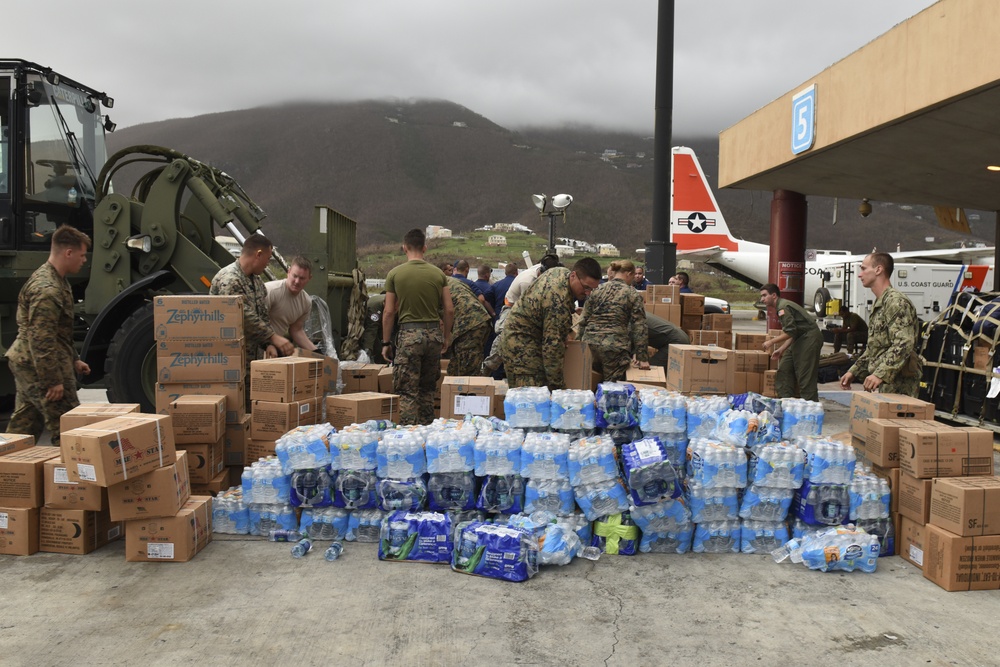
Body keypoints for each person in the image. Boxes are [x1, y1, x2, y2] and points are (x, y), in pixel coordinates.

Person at [5, 225, 92, 445]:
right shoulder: (48, 289)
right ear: (68, 253)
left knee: (24, 425)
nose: (84, 260)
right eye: (82, 255)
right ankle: (73, 477)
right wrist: (53, 381)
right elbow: (40, 339)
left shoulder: (58, 280)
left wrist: (73, 358)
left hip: (30, 360)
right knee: (68, 426)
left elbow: (58, 331)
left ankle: (11, 473)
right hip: (36, 363)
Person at [210, 234, 292, 410]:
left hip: (250, 361)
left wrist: (267, 343)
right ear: (258, 254)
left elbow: (261, 313)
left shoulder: (255, 281)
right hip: (229, 360)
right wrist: (273, 337)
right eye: (268, 259)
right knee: (233, 408)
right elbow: (241, 315)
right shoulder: (230, 279)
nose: (267, 264)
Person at [383, 229, 453, 425]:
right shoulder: (439, 274)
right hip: (433, 337)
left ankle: (409, 439)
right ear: (425, 248)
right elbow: (449, 310)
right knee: (427, 390)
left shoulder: (394, 274)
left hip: (408, 336)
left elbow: (389, 312)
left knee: (407, 391)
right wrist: (446, 337)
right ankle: (426, 435)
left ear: (404, 247)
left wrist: (385, 341)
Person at [500, 257, 602, 389]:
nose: (588, 293)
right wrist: (559, 389)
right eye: (586, 287)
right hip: (521, 348)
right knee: (530, 401)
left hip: (522, 337)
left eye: (592, 290)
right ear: (573, 276)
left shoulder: (560, 272)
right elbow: (552, 351)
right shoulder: (557, 302)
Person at [840, 252, 922, 396]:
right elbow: (875, 348)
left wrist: (880, 374)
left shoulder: (895, 302)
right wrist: (854, 371)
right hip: (888, 382)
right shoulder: (881, 303)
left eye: (864, 269)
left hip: (900, 386)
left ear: (878, 270)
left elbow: (904, 342)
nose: (860, 275)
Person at [577, 260, 649, 381]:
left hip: (591, 344)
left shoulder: (598, 290)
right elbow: (639, 326)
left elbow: (583, 319)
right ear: (629, 274)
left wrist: (578, 345)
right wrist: (642, 357)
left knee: (591, 382)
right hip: (615, 347)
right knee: (611, 389)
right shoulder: (632, 294)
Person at [760, 283, 823, 402]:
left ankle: (811, 409)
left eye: (764, 295)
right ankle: (786, 404)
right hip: (799, 337)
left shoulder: (783, 307)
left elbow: (790, 331)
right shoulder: (781, 307)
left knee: (805, 375)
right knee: (784, 369)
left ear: (773, 295)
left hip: (809, 337)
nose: (762, 299)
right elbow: (793, 332)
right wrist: (781, 349)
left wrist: (771, 342)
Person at [265, 256, 317, 354]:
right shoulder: (270, 291)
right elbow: (256, 323)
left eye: (302, 278)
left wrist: (316, 352)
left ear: (309, 278)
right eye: (295, 276)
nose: (297, 282)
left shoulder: (305, 302)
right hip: (258, 344)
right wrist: (268, 343)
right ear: (288, 272)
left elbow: (296, 330)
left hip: (276, 348)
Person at [445, 276, 491, 376]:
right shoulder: (450, 281)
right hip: (479, 320)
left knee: (467, 369)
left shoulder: (435, 284)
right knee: (457, 365)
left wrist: (446, 337)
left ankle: (467, 390)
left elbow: (448, 312)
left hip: (469, 324)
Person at [360, 292, 387, 363]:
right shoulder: (375, 307)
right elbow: (371, 330)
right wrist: (367, 350)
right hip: (374, 318)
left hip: (386, 320)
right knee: (377, 347)